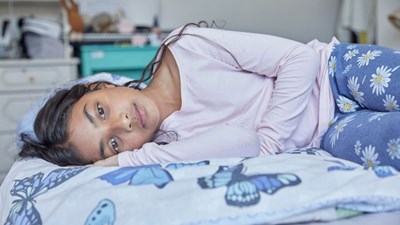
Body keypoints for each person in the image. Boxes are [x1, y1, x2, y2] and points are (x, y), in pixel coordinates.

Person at [18, 22, 400, 170]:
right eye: (114, 144)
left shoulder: (189, 47)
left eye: (101, 111)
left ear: (100, 86)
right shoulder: (176, 145)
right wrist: (126, 162)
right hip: (327, 133)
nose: (123, 123)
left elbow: (296, 58)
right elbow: (243, 141)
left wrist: (272, 141)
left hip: (332, 71)